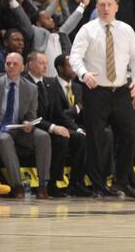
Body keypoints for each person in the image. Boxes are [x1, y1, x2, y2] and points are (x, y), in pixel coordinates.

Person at [69, 0, 135, 199]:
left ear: (116, 7)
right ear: (96, 7)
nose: (105, 9)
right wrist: (84, 74)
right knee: (95, 138)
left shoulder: (126, 30)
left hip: (121, 90)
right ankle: (98, 184)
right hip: (96, 91)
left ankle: (122, 181)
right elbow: (75, 57)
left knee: (129, 134)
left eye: (109, 5)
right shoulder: (87, 29)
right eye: (101, 5)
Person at [0, 52, 50, 199]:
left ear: (22, 67)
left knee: (43, 137)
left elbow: (31, 116)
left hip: (19, 129)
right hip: (0, 129)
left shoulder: (31, 88)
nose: (11, 66)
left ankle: (43, 185)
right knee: (4, 139)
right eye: (8, 63)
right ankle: (17, 185)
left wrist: (29, 124)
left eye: (15, 64)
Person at [10, 0, 91, 77]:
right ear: (38, 23)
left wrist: (83, 5)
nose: (51, 19)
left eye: (51, 18)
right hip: (39, 79)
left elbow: (72, 20)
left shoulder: (61, 34)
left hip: (58, 80)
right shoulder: (35, 32)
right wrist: (12, 0)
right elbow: (23, 18)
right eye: (47, 18)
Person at [48, 54, 92, 197]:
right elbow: (59, 114)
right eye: (70, 65)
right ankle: (62, 183)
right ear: (60, 68)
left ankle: (89, 181)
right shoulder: (50, 86)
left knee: (101, 133)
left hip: (74, 125)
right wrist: (76, 110)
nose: (74, 69)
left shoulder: (79, 87)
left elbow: (81, 113)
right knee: (79, 137)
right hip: (57, 125)